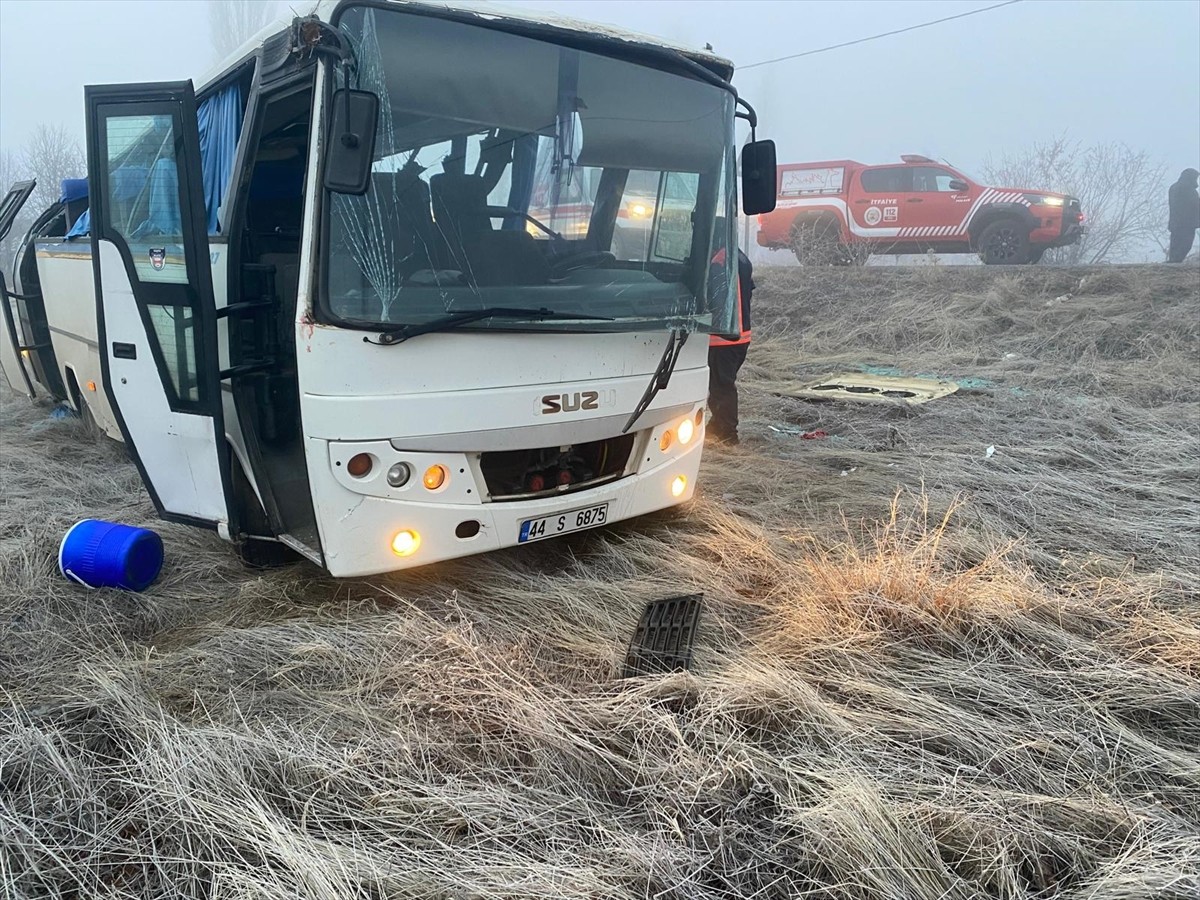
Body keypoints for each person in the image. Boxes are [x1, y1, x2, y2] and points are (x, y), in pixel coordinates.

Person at [707, 246, 754, 445]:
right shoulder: (740, 256)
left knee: (722, 386)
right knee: (720, 385)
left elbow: (709, 292)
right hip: (739, 336)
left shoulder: (720, 260)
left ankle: (728, 435)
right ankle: (717, 425)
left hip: (723, 337)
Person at [1167, 168, 1199, 263]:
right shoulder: (1189, 190)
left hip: (1175, 223)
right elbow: (1195, 205)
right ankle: (1175, 262)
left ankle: (1173, 261)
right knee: (1185, 244)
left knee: (1175, 243)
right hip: (1187, 224)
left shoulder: (1173, 188)